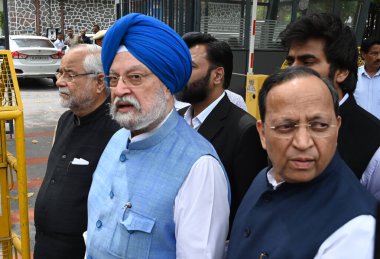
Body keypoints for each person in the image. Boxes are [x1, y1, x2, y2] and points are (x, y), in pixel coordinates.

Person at [85, 13, 230, 259]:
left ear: (167, 84)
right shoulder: (116, 140)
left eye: (135, 77)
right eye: (114, 78)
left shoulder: (200, 168)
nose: (120, 89)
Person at [227, 66, 377, 258]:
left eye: (320, 125)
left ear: (337, 128)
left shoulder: (356, 230)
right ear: (262, 133)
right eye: (286, 126)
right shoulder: (264, 178)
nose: (303, 142)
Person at [279, 13, 380, 199]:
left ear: (341, 72)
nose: (293, 70)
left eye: (307, 62)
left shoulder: (375, 145)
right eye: (290, 61)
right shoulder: (278, 125)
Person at [34, 44, 120, 259]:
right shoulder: (65, 120)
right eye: (60, 72)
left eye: (70, 75)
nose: (59, 81)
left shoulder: (118, 132)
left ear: (100, 82)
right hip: (45, 245)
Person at [179, 32, 267, 229]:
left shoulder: (244, 130)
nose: (181, 73)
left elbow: (247, 208)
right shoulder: (177, 118)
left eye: (191, 67)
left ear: (217, 75)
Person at [354, 37, 380, 119]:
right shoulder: (353, 76)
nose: (379, 57)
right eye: (374, 53)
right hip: (357, 127)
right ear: (363, 54)